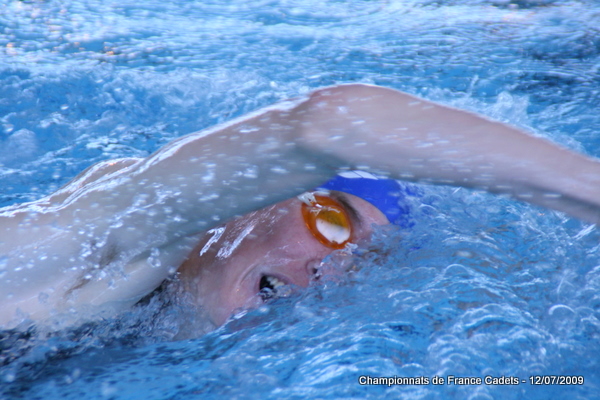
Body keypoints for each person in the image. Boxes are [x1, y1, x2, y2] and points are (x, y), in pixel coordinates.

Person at [2, 83, 600, 331]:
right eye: (336, 222)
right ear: (251, 195)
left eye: (366, 263)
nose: (329, 270)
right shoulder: (79, 244)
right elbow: (328, 124)